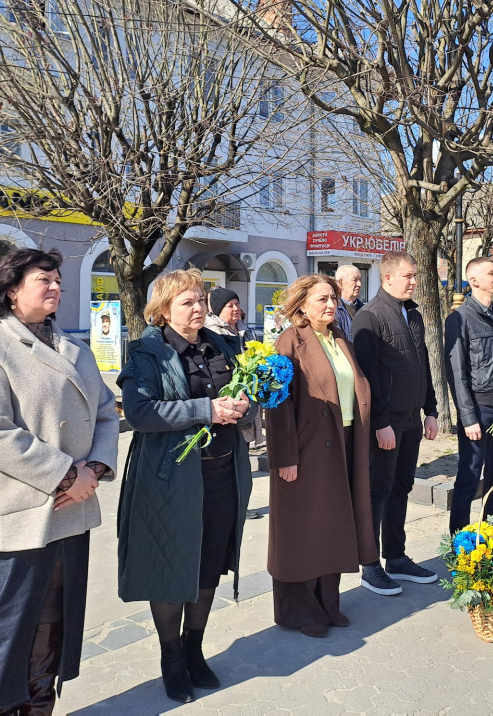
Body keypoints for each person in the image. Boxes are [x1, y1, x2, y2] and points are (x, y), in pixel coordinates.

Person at [0, 248, 119, 716]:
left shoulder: (74, 349)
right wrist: (68, 474)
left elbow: (106, 413)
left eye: (58, 280)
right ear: (11, 290)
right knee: (9, 630)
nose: (55, 287)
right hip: (22, 513)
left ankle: (41, 707)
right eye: (43, 279)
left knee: (54, 625)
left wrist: (95, 471)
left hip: (71, 511)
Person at [117, 270, 254, 703]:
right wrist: (206, 409)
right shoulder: (147, 353)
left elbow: (244, 392)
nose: (198, 308)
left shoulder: (224, 345)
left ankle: (195, 648)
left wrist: (246, 403)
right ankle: (171, 656)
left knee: (208, 566)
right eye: (187, 303)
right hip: (171, 479)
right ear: (163, 311)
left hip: (222, 473)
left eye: (200, 300)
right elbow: (140, 413)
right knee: (171, 568)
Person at [264, 274, 377, 637]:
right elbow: (277, 406)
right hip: (306, 447)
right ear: (301, 305)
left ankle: (328, 604)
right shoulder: (289, 342)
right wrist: (284, 457)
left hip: (344, 441)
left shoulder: (339, 338)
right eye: (322, 300)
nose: (330, 305)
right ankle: (300, 610)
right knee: (303, 528)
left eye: (333, 299)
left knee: (332, 525)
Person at [352, 251, 440, 596]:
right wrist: (379, 423)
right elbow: (367, 378)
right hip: (386, 425)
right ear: (387, 278)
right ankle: (370, 565)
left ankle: (396, 556)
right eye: (408, 276)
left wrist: (430, 410)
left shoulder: (412, 315)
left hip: (411, 421)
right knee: (378, 492)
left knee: (401, 488)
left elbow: (424, 365)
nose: (414, 281)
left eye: (415, 275)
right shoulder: (370, 317)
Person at [444, 257, 493, 533]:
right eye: (492, 273)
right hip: (479, 409)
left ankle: (491, 533)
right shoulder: (459, 319)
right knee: (470, 476)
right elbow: (457, 372)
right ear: (474, 281)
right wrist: (468, 416)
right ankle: (459, 540)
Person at [205, 287, 262, 446]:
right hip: (228, 399)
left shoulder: (246, 331)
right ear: (218, 309)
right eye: (230, 305)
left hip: (248, 396)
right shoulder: (212, 333)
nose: (236, 308)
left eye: (237, 304)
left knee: (244, 447)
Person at [333, 264, 364, 340]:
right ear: (340, 283)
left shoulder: (365, 309)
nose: (359, 284)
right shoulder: (333, 310)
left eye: (360, 279)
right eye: (354, 280)